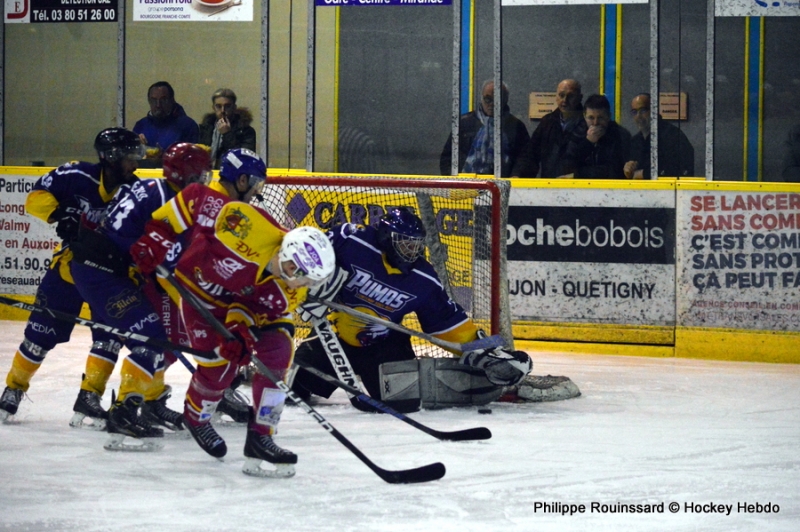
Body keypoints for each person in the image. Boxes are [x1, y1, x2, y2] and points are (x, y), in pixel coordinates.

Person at [134, 198, 336, 476]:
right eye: (306, 279)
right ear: (291, 264)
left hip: (239, 302)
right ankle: (196, 417)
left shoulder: (289, 291)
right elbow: (198, 199)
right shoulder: (251, 224)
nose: (306, 287)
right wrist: (158, 235)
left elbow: (250, 307)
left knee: (279, 351)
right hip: (201, 294)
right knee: (219, 366)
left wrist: (241, 331)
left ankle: (262, 435)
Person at [290, 207, 532, 414]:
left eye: (416, 245)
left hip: (384, 344)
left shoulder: (423, 279)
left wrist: (485, 350)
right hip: (334, 336)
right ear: (387, 237)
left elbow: (448, 322)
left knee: (402, 401)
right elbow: (306, 258)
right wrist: (304, 288)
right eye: (405, 243)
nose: (412, 250)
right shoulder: (351, 240)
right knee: (293, 390)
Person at [68, 143, 213, 442]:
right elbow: (169, 261)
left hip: (103, 267)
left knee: (154, 337)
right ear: (186, 175)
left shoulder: (153, 187)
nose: (204, 181)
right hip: (103, 272)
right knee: (151, 338)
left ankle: (150, 402)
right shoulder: (172, 203)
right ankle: (123, 413)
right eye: (200, 175)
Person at [0, 128, 143, 422]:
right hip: (69, 268)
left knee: (108, 339)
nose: (135, 163)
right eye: (130, 157)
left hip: (109, 277)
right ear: (111, 157)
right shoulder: (75, 174)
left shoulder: (136, 191)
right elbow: (35, 197)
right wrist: (57, 213)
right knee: (39, 336)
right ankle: (13, 389)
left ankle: (89, 397)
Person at [439, 80, 530, 177]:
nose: (492, 104)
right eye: (487, 99)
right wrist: (453, 178)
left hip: (503, 183)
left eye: (497, 99)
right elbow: (448, 157)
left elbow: (525, 158)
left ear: (505, 100)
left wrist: (516, 177)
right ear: (481, 98)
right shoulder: (464, 123)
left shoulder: (516, 126)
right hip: (466, 182)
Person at [514, 78, 585, 178]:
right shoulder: (547, 122)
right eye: (561, 95)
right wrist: (519, 174)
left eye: (571, 96)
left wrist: (577, 176)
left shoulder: (589, 123)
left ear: (580, 97)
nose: (565, 100)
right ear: (556, 97)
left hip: (580, 185)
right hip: (549, 184)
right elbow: (531, 154)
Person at [623, 93, 695, 179]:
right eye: (634, 112)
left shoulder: (673, 136)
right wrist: (628, 170)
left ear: (654, 111)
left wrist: (645, 174)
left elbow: (683, 170)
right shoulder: (635, 141)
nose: (638, 116)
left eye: (643, 110)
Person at [561, 94, 631, 179]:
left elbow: (615, 171)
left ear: (608, 117)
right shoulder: (577, 133)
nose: (595, 123)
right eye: (591, 118)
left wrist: (578, 175)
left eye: (600, 118)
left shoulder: (620, 135)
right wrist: (588, 143)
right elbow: (567, 165)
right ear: (584, 116)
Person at [133, 81, 199, 167]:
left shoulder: (188, 126)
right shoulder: (140, 126)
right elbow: (132, 159)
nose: (158, 105)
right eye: (153, 100)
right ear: (149, 101)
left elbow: (194, 161)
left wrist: (163, 159)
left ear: (172, 100)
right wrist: (138, 148)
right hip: (145, 173)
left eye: (163, 100)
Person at [198, 88, 257, 169]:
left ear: (234, 107)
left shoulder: (245, 131)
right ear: (213, 108)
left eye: (227, 106)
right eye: (218, 106)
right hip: (208, 173)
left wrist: (227, 134)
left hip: (231, 174)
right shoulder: (206, 128)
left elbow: (242, 159)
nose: (223, 110)